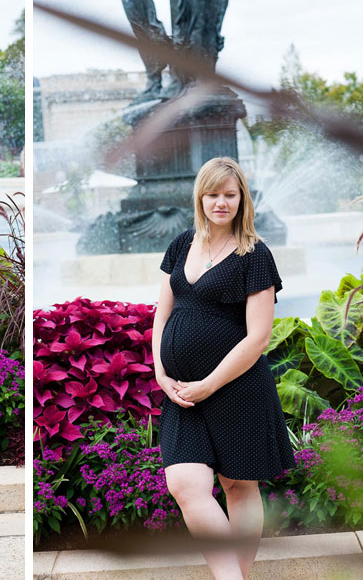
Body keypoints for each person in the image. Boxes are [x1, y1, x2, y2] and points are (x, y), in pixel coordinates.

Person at [152, 157, 294, 579]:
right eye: (213, 194)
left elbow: (258, 338)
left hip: (236, 387)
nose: (221, 203)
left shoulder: (255, 255)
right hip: (181, 393)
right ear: (200, 196)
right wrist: (162, 374)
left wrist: (209, 384)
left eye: (229, 195)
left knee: (239, 485)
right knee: (185, 485)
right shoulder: (181, 244)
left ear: (241, 199)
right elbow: (161, 315)